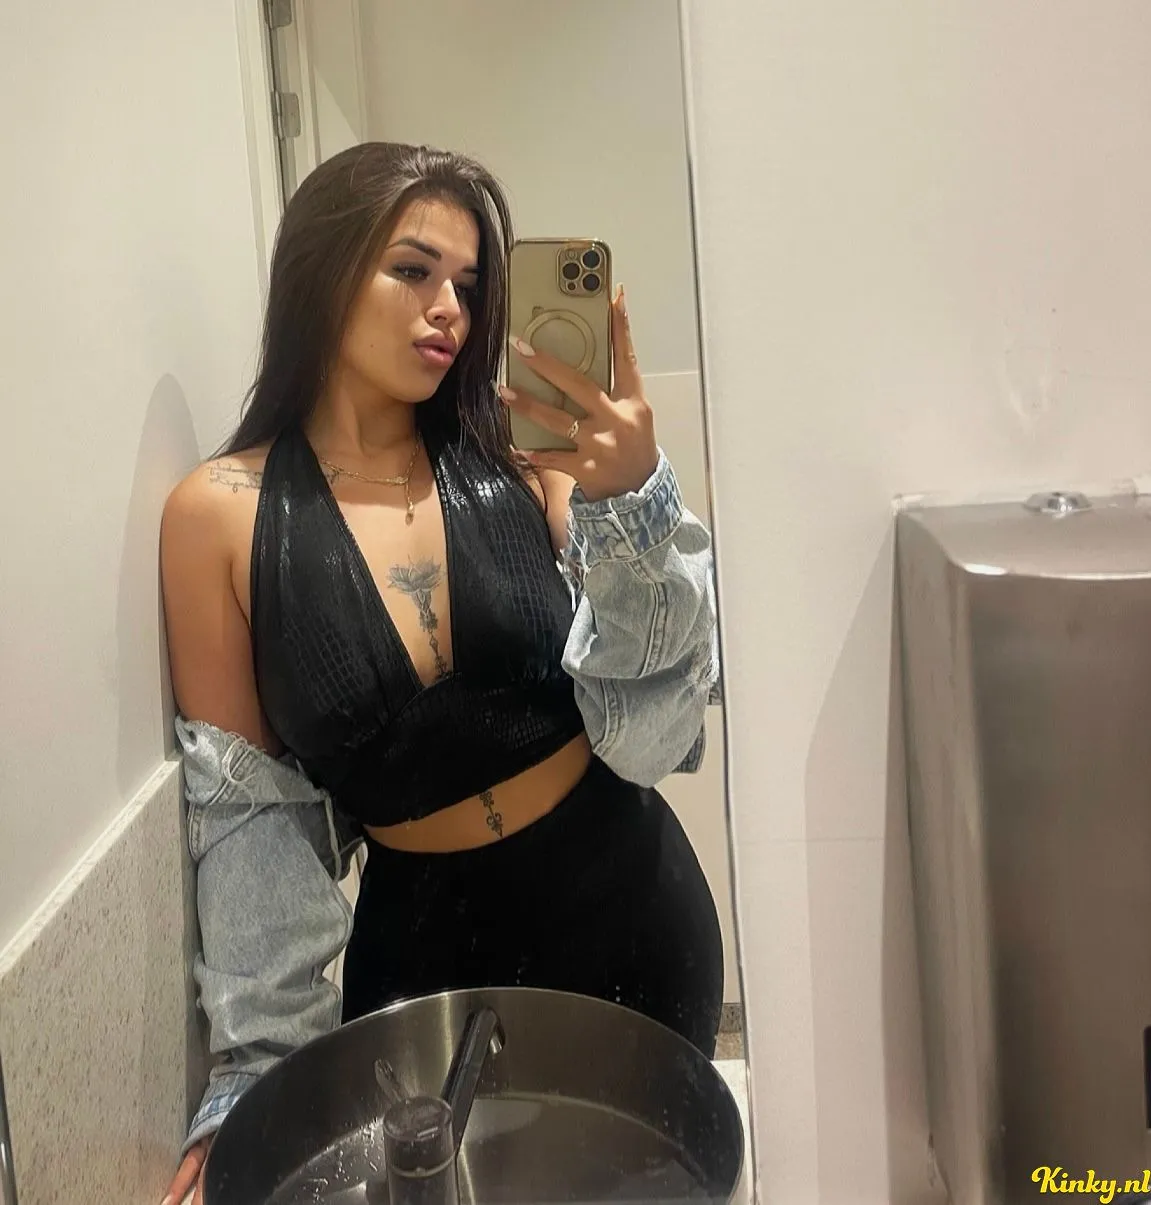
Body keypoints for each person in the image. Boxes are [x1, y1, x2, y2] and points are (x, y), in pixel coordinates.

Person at [159, 142, 721, 1205]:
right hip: (426, 975)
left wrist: (634, 504)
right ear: (322, 271)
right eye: (413, 270)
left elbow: (649, 734)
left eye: (467, 283)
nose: (449, 309)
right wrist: (254, 1074)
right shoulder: (219, 517)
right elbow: (251, 821)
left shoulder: (523, 458)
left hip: (631, 909)